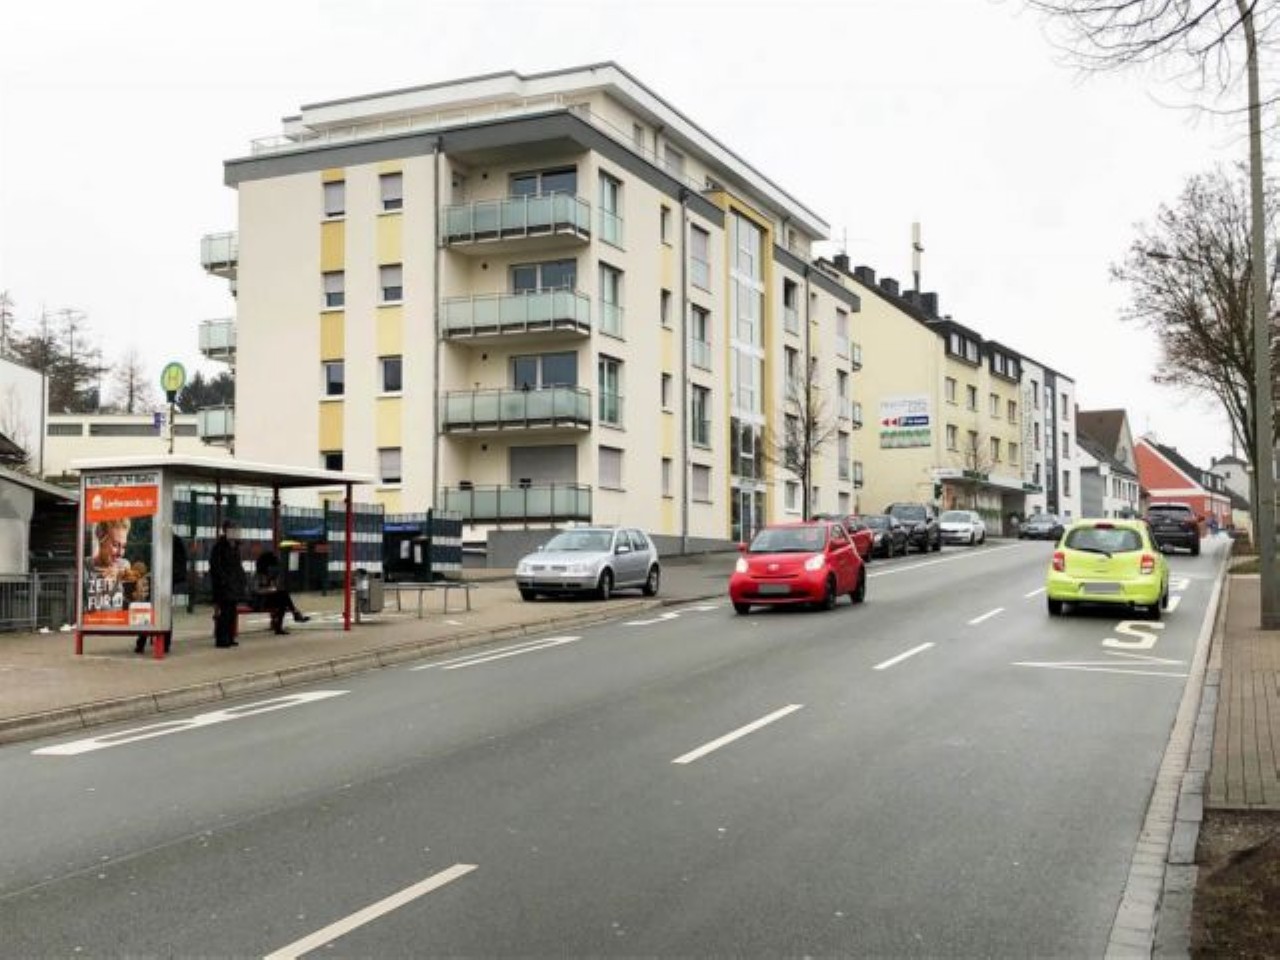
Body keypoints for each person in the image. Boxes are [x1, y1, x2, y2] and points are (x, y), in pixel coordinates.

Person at [209, 520, 247, 648]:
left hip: (234, 584)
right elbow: (215, 565)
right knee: (225, 612)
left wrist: (242, 579)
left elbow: (238, 565)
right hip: (224, 586)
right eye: (233, 529)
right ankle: (221, 639)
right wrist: (223, 580)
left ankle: (229, 637)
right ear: (226, 531)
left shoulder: (235, 546)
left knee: (231, 611)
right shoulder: (219, 546)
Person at [253, 550, 310, 635]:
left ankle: (281, 626)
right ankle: (295, 613)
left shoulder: (269, 575)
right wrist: (270, 590)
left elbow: (274, 588)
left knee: (283, 600)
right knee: (283, 595)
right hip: (259, 601)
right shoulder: (258, 576)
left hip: (267, 599)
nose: (272, 568)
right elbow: (256, 590)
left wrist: (273, 587)